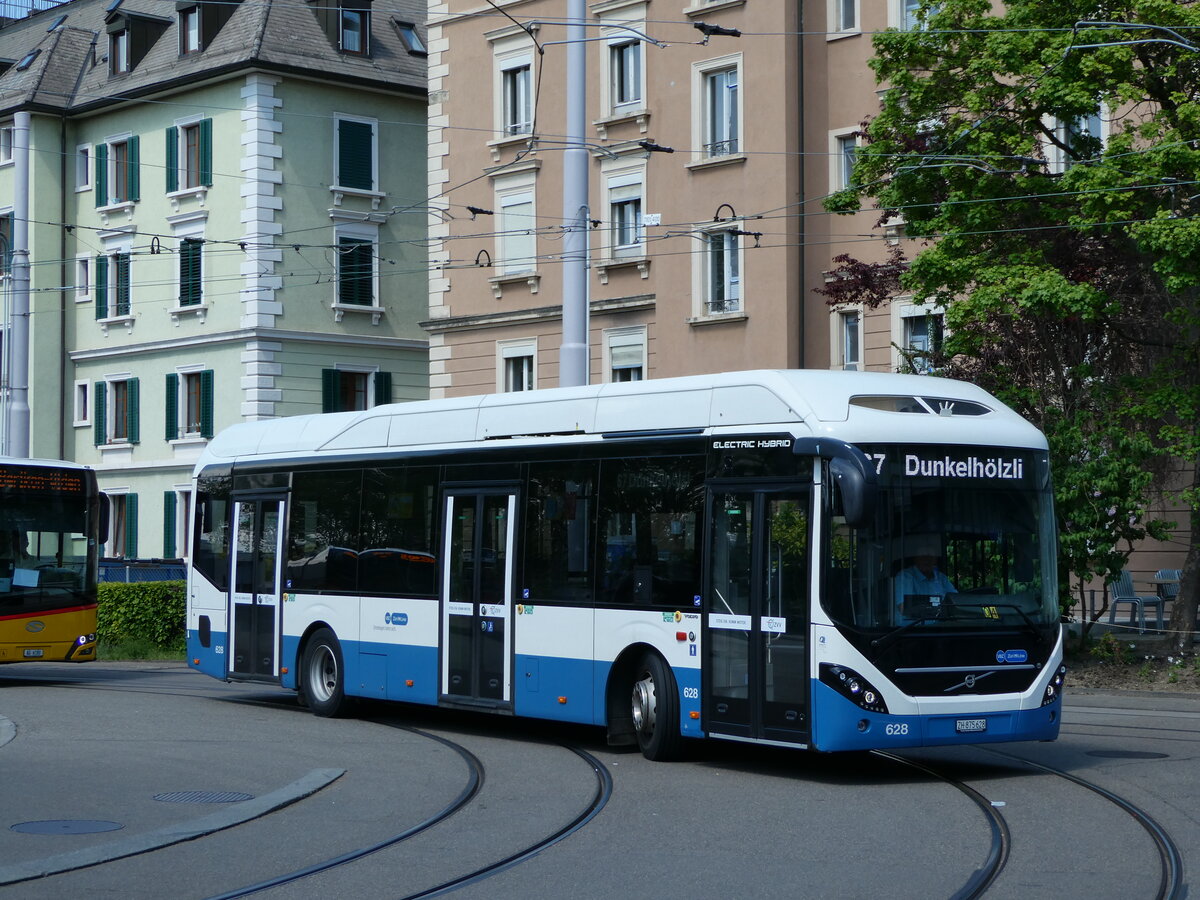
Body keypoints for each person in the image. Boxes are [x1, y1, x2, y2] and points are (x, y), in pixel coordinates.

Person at [894, 542, 956, 622]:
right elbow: (903, 608)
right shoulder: (905, 577)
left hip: (941, 626)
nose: (926, 560)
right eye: (922, 557)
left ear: (935, 560)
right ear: (915, 559)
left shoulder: (941, 578)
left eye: (930, 557)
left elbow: (956, 601)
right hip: (913, 628)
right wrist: (938, 609)